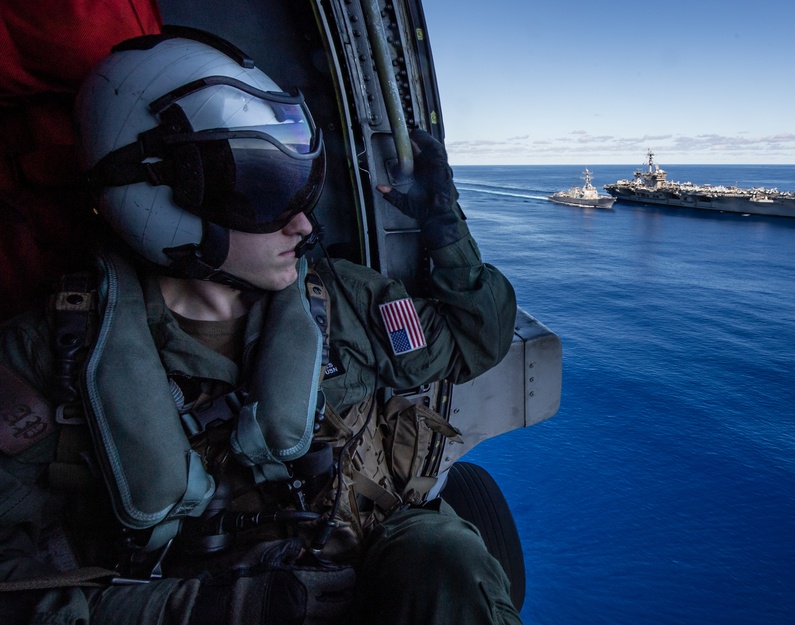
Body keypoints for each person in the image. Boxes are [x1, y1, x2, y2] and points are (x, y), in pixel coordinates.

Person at [0, 31, 522, 625]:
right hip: (178, 596)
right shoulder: (50, 355)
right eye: (264, 189)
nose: (301, 222)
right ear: (157, 197)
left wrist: (441, 218)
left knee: (449, 556)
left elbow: (476, 337)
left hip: (363, 573)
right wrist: (201, 609)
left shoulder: (343, 300)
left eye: (298, 184)